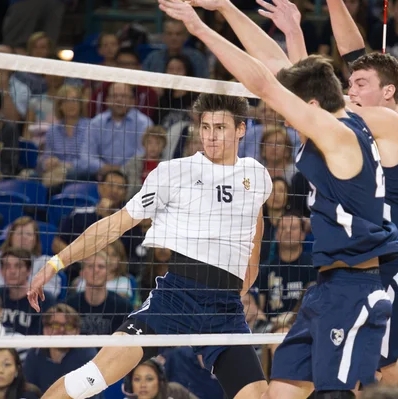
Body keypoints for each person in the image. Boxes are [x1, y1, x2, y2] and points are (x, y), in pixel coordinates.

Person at [159, 0, 398, 399]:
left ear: (309, 106)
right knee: (279, 393)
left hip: (355, 287)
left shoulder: (339, 134)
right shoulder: (333, 115)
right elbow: (280, 67)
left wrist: (200, 29)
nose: (282, 116)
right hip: (326, 287)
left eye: (293, 108)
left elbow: (263, 82)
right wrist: (226, 7)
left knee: (336, 392)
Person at [27, 93, 273, 399]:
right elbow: (114, 225)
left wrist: (246, 280)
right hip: (175, 298)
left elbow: (256, 232)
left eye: (220, 128)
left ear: (241, 129)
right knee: (88, 380)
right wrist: (54, 264)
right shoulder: (174, 173)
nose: (210, 136)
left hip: (225, 310)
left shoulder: (256, 175)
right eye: (205, 127)